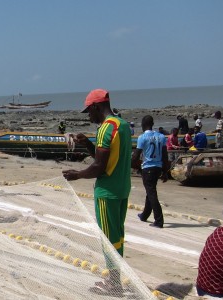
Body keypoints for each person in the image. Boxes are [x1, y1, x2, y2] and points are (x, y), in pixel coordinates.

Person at [62, 89, 131, 295]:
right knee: (117, 236)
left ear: (96, 107)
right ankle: (114, 278)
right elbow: (106, 159)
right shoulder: (123, 125)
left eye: (88, 112)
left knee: (108, 240)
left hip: (107, 191)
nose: (88, 117)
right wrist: (87, 143)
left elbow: (99, 167)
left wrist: (78, 175)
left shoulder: (105, 129)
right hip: (122, 188)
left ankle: (114, 284)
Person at [132, 115, 169, 228]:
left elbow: (136, 155)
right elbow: (165, 156)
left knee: (152, 193)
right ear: (152, 124)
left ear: (143, 125)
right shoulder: (161, 137)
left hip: (148, 168)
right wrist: (165, 171)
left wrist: (131, 165)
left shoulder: (142, 137)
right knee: (150, 191)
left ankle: (159, 220)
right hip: (158, 168)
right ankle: (144, 215)